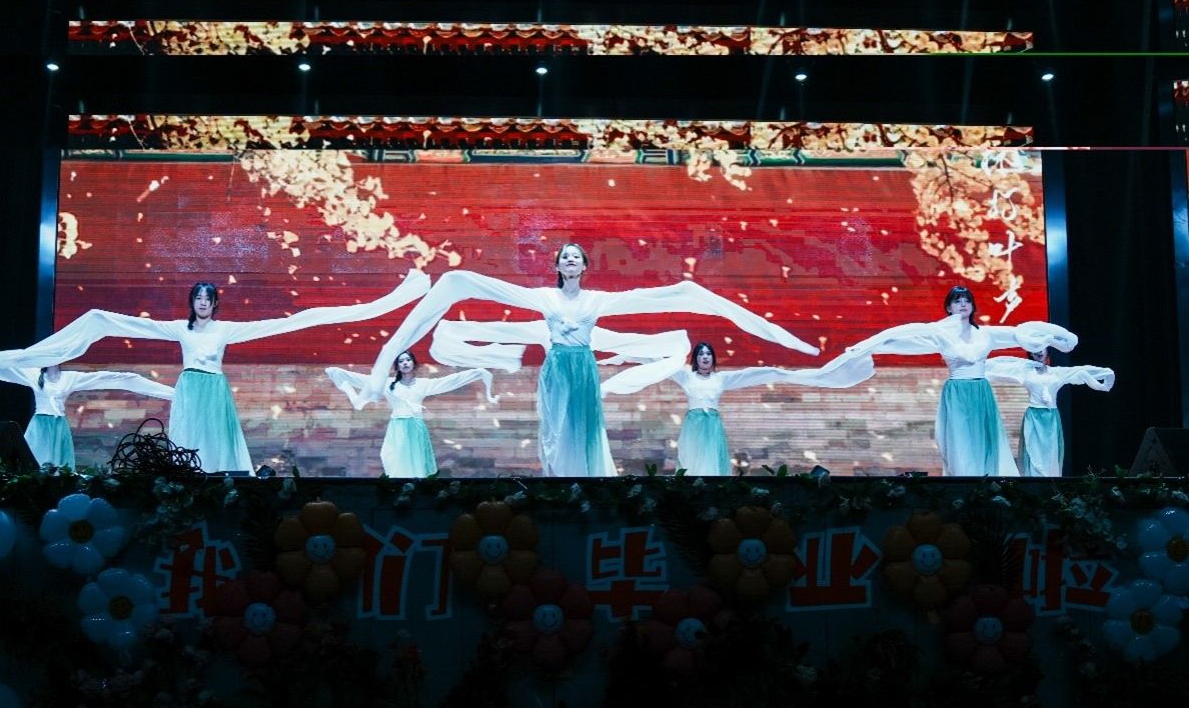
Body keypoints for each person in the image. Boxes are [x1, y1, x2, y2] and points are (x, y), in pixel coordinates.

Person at [360, 244, 820, 477]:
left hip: (583, 367)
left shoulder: (597, 300)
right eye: (565, 257)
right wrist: (386, 358)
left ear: (584, 266)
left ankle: (587, 479)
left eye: (576, 257)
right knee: (554, 427)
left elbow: (651, 296)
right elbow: (475, 284)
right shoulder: (543, 296)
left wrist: (690, 293)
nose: (571, 262)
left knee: (584, 426)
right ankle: (557, 478)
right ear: (558, 266)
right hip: (557, 368)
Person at [0, 270, 429, 473]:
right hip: (191, 387)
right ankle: (189, 475)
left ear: (216, 303)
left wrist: (365, 307)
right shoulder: (179, 329)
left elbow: (289, 321)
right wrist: (99, 319)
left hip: (214, 388)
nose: (204, 304)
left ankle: (223, 474)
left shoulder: (226, 329)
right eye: (199, 298)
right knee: (187, 438)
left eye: (209, 299)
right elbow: (128, 325)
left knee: (217, 437)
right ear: (192, 303)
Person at [846, 285, 1077, 476]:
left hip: (981, 391)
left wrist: (1058, 339)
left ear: (973, 306)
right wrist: (871, 346)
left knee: (986, 440)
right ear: (949, 307)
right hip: (957, 392)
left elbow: (1019, 334)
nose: (963, 304)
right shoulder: (941, 333)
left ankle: (990, 484)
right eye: (957, 301)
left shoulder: (985, 334)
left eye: (967, 300)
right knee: (960, 443)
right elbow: (907, 339)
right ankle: (963, 484)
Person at [597, 340, 875, 476]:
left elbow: (756, 374)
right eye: (701, 354)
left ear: (713, 359)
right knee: (691, 461)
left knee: (712, 462)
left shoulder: (722, 379)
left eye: (708, 354)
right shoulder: (685, 375)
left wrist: (778, 371)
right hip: (694, 424)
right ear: (695, 359)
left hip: (712, 425)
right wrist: (625, 353)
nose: (705, 358)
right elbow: (656, 362)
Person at [0, 359, 175, 469]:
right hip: (41, 426)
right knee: (36, 463)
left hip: (58, 426)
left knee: (59, 466)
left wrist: (133, 379)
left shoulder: (70, 378)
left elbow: (110, 378)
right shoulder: (33, 374)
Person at [325, 349, 495, 477]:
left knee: (417, 461)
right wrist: (338, 373)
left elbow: (449, 381)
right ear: (397, 366)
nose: (405, 363)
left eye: (408, 360)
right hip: (397, 426)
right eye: (401, 361)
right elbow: (362, 380)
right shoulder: (388, 383)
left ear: (413, 363)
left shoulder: (423, 384)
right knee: (394, 459)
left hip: (415, 426)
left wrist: (476, 373)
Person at [985, 349, 1114, 476]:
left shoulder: (1056, 373)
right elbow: (1002, 367)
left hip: (1051, 418)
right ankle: (1032, 482)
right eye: (1035, 348)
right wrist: (978, 368)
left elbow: (1080, 371)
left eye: (1043, 348)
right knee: (1032, 453)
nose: (1039, 352)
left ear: (1048, 351)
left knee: (1050, 455)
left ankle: (1049, 483)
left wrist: (1105, 379)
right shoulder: (1025, 371)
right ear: (1030, 352)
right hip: (1033, 417)